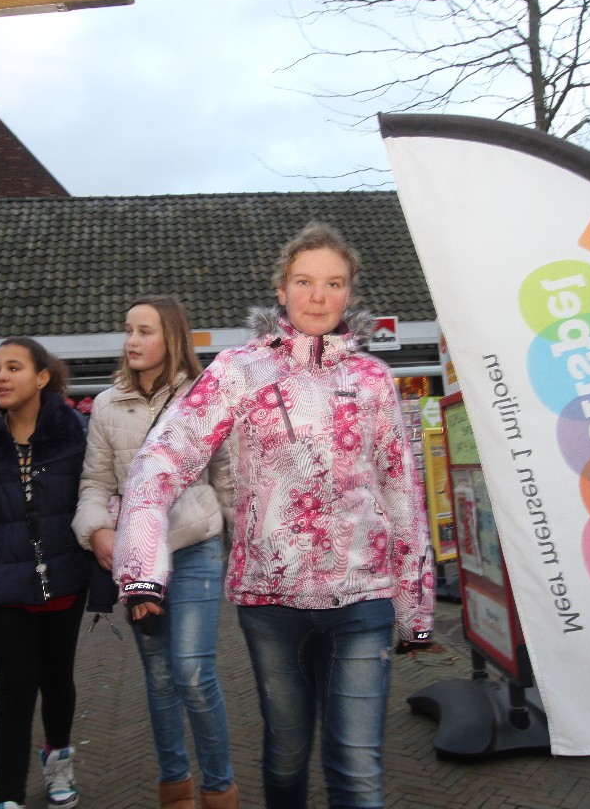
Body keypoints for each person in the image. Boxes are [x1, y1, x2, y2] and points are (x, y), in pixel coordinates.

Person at [113, 222, 435, 809]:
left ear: (349, 293)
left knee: (358, 767)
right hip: (272, 600)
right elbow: (163, 455)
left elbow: (401, 492)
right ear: (281, 289)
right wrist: (142, 566)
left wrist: (414, 607)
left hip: (362, 596)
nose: (319, 296)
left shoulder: (373, 380)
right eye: (305, 281)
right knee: (286, 754)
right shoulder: (239, 370)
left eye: (334, 283)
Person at [72, 295, 239, 809]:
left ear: (172, 337)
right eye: (128, 330)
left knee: (192, 670)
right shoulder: (106, 405)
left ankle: (219, 788)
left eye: (145, 331)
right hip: (139, 559)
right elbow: (95, 483)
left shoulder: (204, 398)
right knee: (161, 676)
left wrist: (248, 544)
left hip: (195, 546)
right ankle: (175, 786)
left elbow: (226, 478)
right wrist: (97, 531)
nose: (132, 341)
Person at [0, 337, 92, 809]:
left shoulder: (73, 433)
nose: (1, 377)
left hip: (63, 578)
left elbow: (94, 495)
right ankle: (7, 796)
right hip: (4, 583)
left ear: (42, 377)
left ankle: (58, 764)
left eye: (13, 367)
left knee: (58, 681)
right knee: (14, 689)